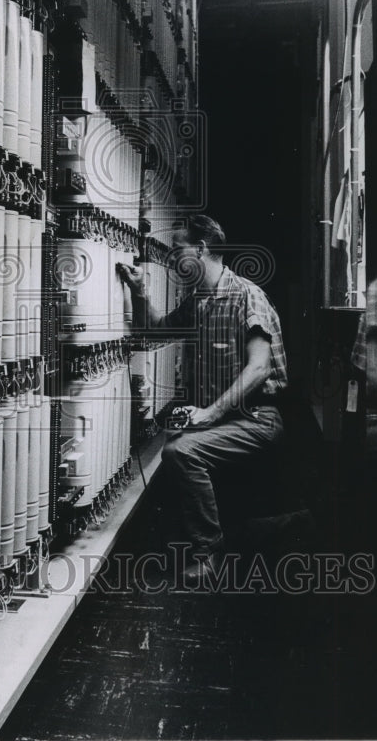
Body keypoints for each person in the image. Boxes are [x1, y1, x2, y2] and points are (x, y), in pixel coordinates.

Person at [119, 215, 288, 580]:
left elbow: (259, 368)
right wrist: (139, 291)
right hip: (228, 418)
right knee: (177, 444)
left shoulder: (247, 295)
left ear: (201, 248)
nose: (172, 259)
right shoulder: (198, 301)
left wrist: (210, 413)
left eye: (178, 250)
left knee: (180, 451)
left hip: (256, 418)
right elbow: (153, 331)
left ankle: (210, 553)